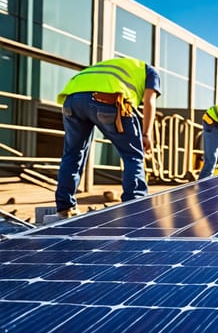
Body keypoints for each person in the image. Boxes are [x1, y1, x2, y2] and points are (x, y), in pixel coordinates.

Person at [55, 57, 161, 218]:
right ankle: (135, 206)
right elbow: (149, 102)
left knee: (73, 153)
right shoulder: (151, 72)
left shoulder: (110, 67)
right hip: (107, 100)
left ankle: (65, 207)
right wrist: (146, 134)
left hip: (72, 100)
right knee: (132, 155)